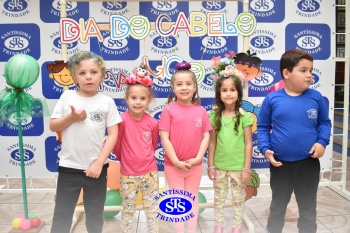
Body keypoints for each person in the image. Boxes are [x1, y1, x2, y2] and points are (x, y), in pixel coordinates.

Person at [257, 49, 331, 233]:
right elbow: (263, 127)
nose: (309, 75)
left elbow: (324, 122)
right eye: (303, 70)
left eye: (311, 70)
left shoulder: (316, 98)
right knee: (278, 207)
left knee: (308, 209)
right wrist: (265, 149)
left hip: (309, 164)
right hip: (281, 164)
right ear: (286, 73)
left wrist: (322, 142)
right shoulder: (272, 99)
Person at [50, 51, 122, 233]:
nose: (88, 77)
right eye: (82, 73)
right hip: (69, 167)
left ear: (102, 75)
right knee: (62, 214)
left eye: (93, 72)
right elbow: (53, 125)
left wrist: (99, 163)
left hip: (97, 169)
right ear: (74, 77)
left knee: (95, 214)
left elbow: (113, 134)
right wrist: (72, 118)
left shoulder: (107, 102)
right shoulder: (67, 98)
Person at [159, 61, 212, 233]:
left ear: (195, 87)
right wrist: (175, 161)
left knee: (192, 198)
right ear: (173, 88)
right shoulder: (168, 110)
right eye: (179, 84)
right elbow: (164, 138)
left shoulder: (201, 111)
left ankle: (191, 230)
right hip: (173, 167)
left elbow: (206, 136)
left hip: (194, 166)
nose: (184, 87)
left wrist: (198, 158)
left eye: (188, 84)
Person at [207, 59, 253, 233]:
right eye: (224, 90)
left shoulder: (245, 117)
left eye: (232, 90)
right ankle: (218, 225)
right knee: (219, 198)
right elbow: (212, 142)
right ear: (219, 93)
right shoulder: (214, 116)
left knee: (238, 199)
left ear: (238, 92)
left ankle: (236, 226)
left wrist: (246, 168)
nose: (228, 94)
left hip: (238, 167)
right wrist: (210, 165)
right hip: (219, 166)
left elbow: (248, 143)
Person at [113, 63, 159, 233]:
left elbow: (153, 145)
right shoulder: (121, 120)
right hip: (128, 174)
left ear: (149, 100)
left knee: (151, 209)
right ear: (127, 99)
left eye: (142, 98)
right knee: (127, 209)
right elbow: (116, 146)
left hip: (150, 174)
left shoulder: (153, 123)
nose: (138, 102)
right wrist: (126, 160)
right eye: (134, 98)